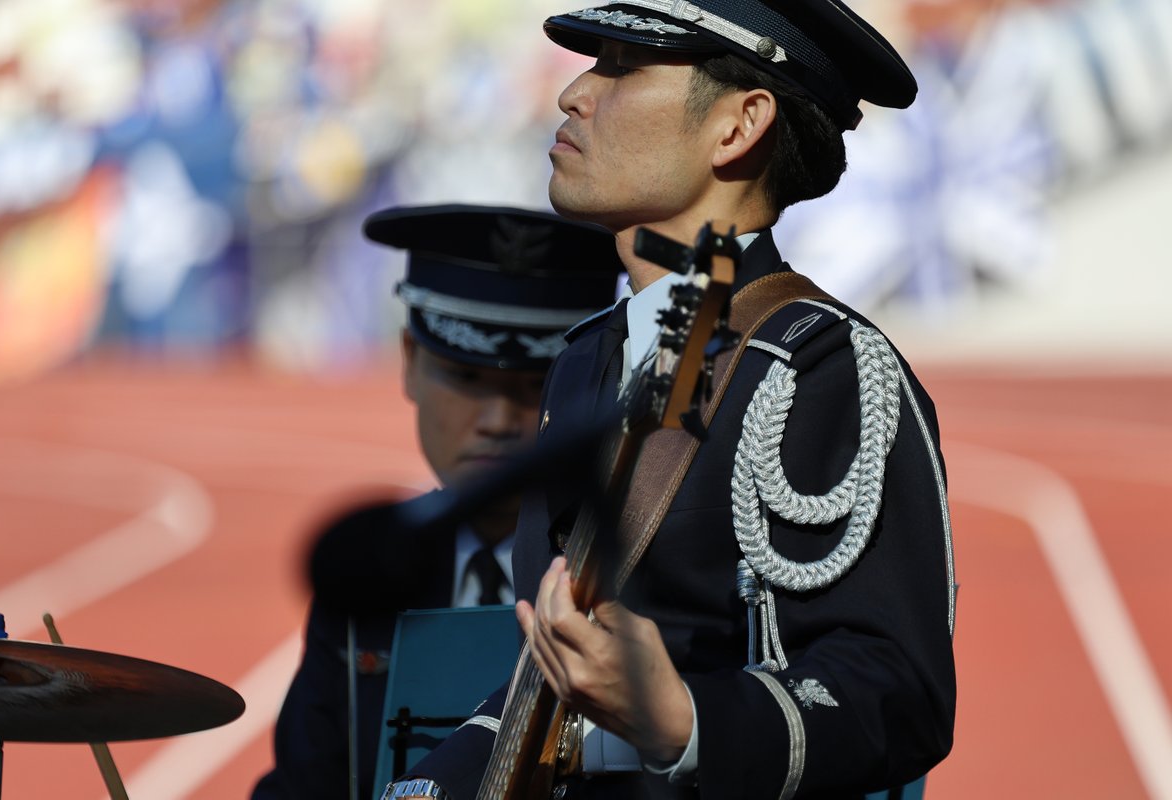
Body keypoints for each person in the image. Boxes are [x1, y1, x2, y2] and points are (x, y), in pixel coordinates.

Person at [384, 2, 957, 799]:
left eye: (621, 67)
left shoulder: (820, 365)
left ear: (737, 126)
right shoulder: (587, 358)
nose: (573, 94)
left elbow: (898, 693)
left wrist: (683, 721)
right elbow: (543, 676)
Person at [252, 205, 623, 800]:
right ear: (408, 360)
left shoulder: (629, 570)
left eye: (537, 386)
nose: (499, 420)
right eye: (467, 378)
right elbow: (306, 782)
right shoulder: (371, 573)